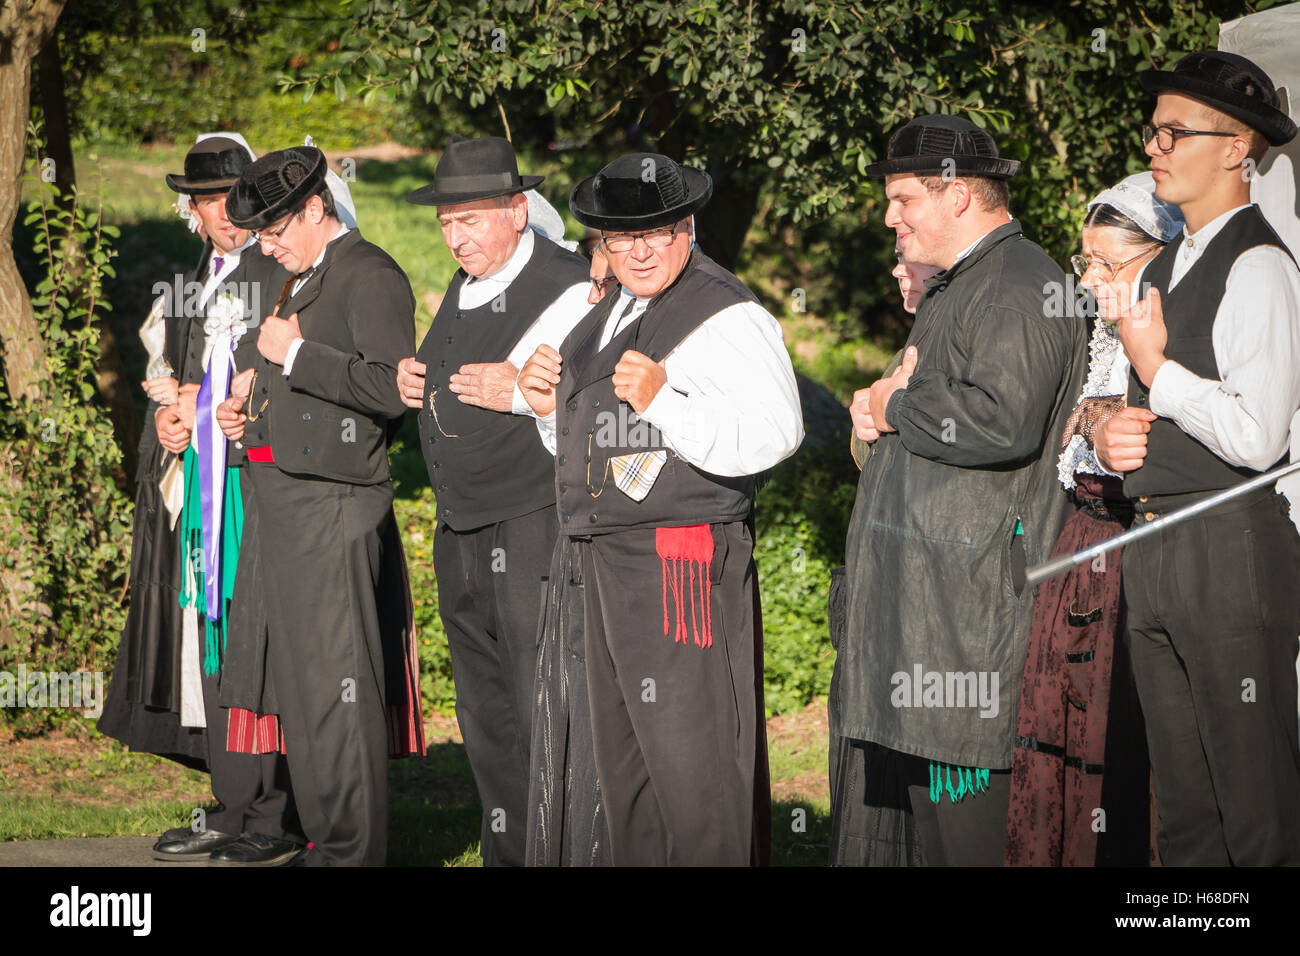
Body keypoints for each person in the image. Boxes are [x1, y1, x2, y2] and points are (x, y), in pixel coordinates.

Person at [518, 152, 803, 865]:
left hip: (678, 566)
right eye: (620, 238)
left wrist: (662, 400)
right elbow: (592, 434)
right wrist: (544, 408)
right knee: (626, 771)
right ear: (603, 245)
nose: (638, 251)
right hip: (605, 563)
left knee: (694, 770)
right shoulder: (614, 304)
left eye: (655, 233)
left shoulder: (728, 311)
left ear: (687, 228)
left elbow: (779, 432)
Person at [830, 114, 1086, 866]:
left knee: (971, 841)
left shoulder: (1017, 285)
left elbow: (1001, 422)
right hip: (936, 617)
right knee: (930, 841)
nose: (890, 217)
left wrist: (894, 405)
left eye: (903, 198)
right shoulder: (966, 284)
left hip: (972, 630)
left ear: (957, 197)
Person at [1105, 50, 1300, 865]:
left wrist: (1157, 373)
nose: (1155, 146)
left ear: (1235, 147)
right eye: (1153, 131)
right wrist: (1112, 435)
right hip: (1155, 545)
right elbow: (1142, 412)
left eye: (1174, 132)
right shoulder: (1168, 265)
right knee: (1182, 814)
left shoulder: (1258, 266)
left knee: (1255, 813)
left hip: (1230, 552)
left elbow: (1259, 435)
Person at [215, 145, 420, 866]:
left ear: (313, 209)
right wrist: (248, 412)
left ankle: (352, 854)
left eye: (275, 232)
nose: (267, 249)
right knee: (302, 691)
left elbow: (395, 391)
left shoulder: (370, 273)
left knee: (338, 691)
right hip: (279, 497)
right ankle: (326, 841)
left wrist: (297, 356)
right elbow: (290, 384)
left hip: (334, 506)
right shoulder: (297, 276)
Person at [395, 136, 591, 866]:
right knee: (485, 710)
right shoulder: (463, 280)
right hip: (462, 528)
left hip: (533, 524)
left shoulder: (570, 286)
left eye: (472, 220)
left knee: (544, 704)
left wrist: (519, 395)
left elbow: (589, 406)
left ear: (517, 211)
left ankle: (563, 851)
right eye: (447, 223)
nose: (457, 237)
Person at [1004, 172, 1182, 867]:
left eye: (1112, 263)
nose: (1093, 280)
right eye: (1087, 263)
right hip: (1082, 551)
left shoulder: (1173, 341)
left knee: (1126, 747)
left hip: (1137, 556)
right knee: (1066, 735)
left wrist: (1106, 422)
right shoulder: (1102, 340)